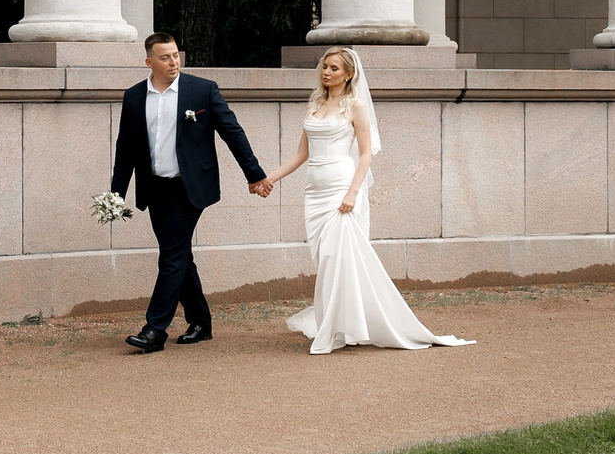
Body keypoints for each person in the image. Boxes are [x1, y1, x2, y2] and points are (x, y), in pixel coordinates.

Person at [261, 47, 474, 353]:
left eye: (334, 68)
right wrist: (270, 178)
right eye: (325, 67)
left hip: (341, 188)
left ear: (349, 74)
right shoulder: (315, 105)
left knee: (337, 257)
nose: (326, 72)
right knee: (327, 260)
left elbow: (364, 154)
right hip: (315, 193)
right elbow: (301, 154)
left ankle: (332, 332)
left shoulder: (355, 106)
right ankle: (341, 324)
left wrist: (352, 192)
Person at [107, 32, 267, 353]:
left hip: (190, 187)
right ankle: (200, 321)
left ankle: (154, 330)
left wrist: (254, 174)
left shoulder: (202, 90)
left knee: (171, 256)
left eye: (176, 55)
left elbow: (232, 132)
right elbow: (126, 148)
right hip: (154, 189)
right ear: (149, 61)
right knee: (179, 256)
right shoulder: (135, 96)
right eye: (165, 57)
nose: (173, 62)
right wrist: (116, 193)